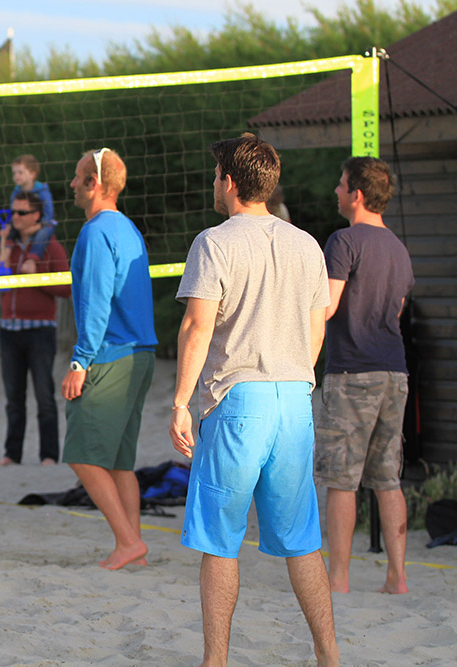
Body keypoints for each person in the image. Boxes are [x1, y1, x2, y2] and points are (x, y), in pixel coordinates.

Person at [169, 133, 338, 666]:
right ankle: (330, 657)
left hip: (239, 400)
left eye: (215, 174)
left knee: (219, 540)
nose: (212, 182)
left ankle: (215, 661)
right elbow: (316, 331)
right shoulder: (306, 244)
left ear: (230, 182)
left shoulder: (214, 242)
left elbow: (197, 328)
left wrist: (180, 403)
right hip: (295, 399)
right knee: (302, 540)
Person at [315, 157, 414, 595]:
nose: (336, 192)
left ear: (356, 194)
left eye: (341, 185)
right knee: (387, 478)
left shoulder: (344, 240)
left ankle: (338, 579)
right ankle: (398, 578)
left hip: (353, 371)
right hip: (395, 371)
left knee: (342, 479)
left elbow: (328, 306)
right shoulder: (398, 248)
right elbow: (397, 311)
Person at [60, 147, 157, 569]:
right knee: (119, 462)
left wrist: (80, 362)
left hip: (111, 354)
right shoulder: (128, 228)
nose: (71, 184)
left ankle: (128, 543)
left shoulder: (96, 231)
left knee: (82, 454)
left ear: (94, 183)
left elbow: (96, 302)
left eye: (77, 177)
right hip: (141, 354)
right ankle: (133, 549)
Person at [0, 191, 71, 466]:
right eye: (13, 211)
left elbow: (66, 287)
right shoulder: (8, 243)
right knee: (13, 398)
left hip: (40, 330)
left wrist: (36, 277)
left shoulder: (51, 246)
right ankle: (11, 453)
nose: (15, 217)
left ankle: (49, 455)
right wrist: (2, 252)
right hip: (9, 329)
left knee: (44, 396)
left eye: (21, 212)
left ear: (37, 215)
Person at [10, 154, 55, 223]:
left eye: (20, 172)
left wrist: (40, 225)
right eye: (14, 173)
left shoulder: (42, 191)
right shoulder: (15, 192)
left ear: (32, 174)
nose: (16, 176)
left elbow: (49, 212)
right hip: (22, 223)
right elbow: (12, 211)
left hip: (43, 223)